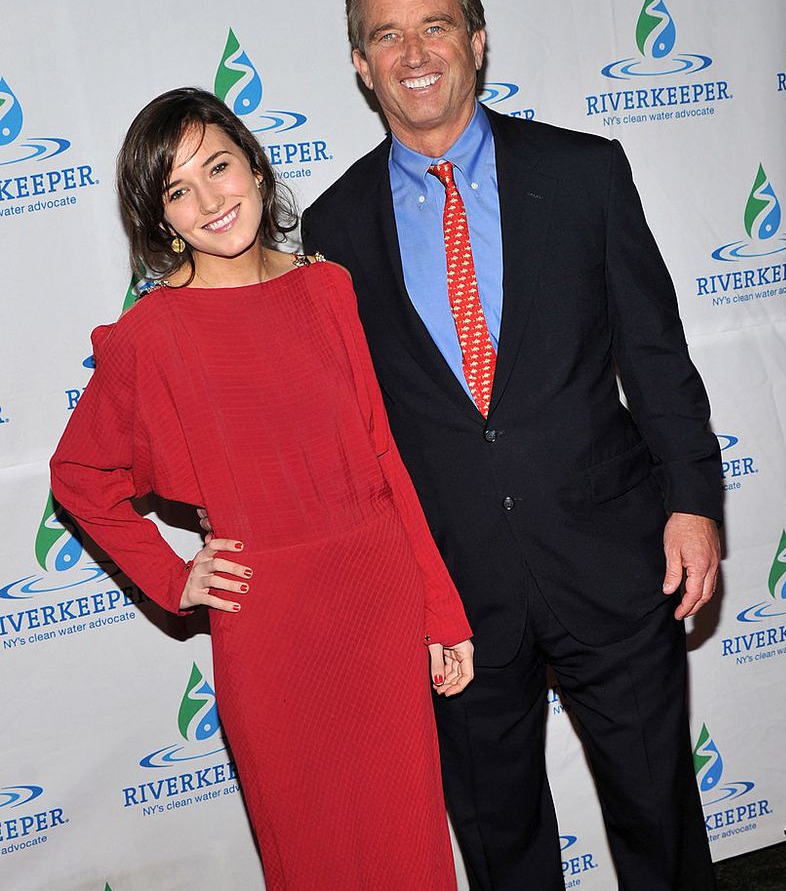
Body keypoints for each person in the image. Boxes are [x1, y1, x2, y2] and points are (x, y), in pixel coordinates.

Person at [301, 0, 723, 890]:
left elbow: (655, 352)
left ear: (478, 41)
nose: (414, 52)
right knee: (502, 839)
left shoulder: (584, 175)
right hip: (451, 592)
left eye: (435, 24)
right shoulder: (330, 232)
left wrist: (694, 500)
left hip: (613, 557)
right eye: (386, 35)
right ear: (361, 66)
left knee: (658, 816)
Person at [50, 87, 474, 890]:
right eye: (179, 188)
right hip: (271, 624)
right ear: (161, 216)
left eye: (218, 166)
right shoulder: (152, 333)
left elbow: (385, 460)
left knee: (408, 845)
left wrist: (440, 608)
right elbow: (78, 475)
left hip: (377, 598)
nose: (211, 199)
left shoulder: (327, 288)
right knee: (310, 854)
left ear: (253, 163)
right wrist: (176, 577)